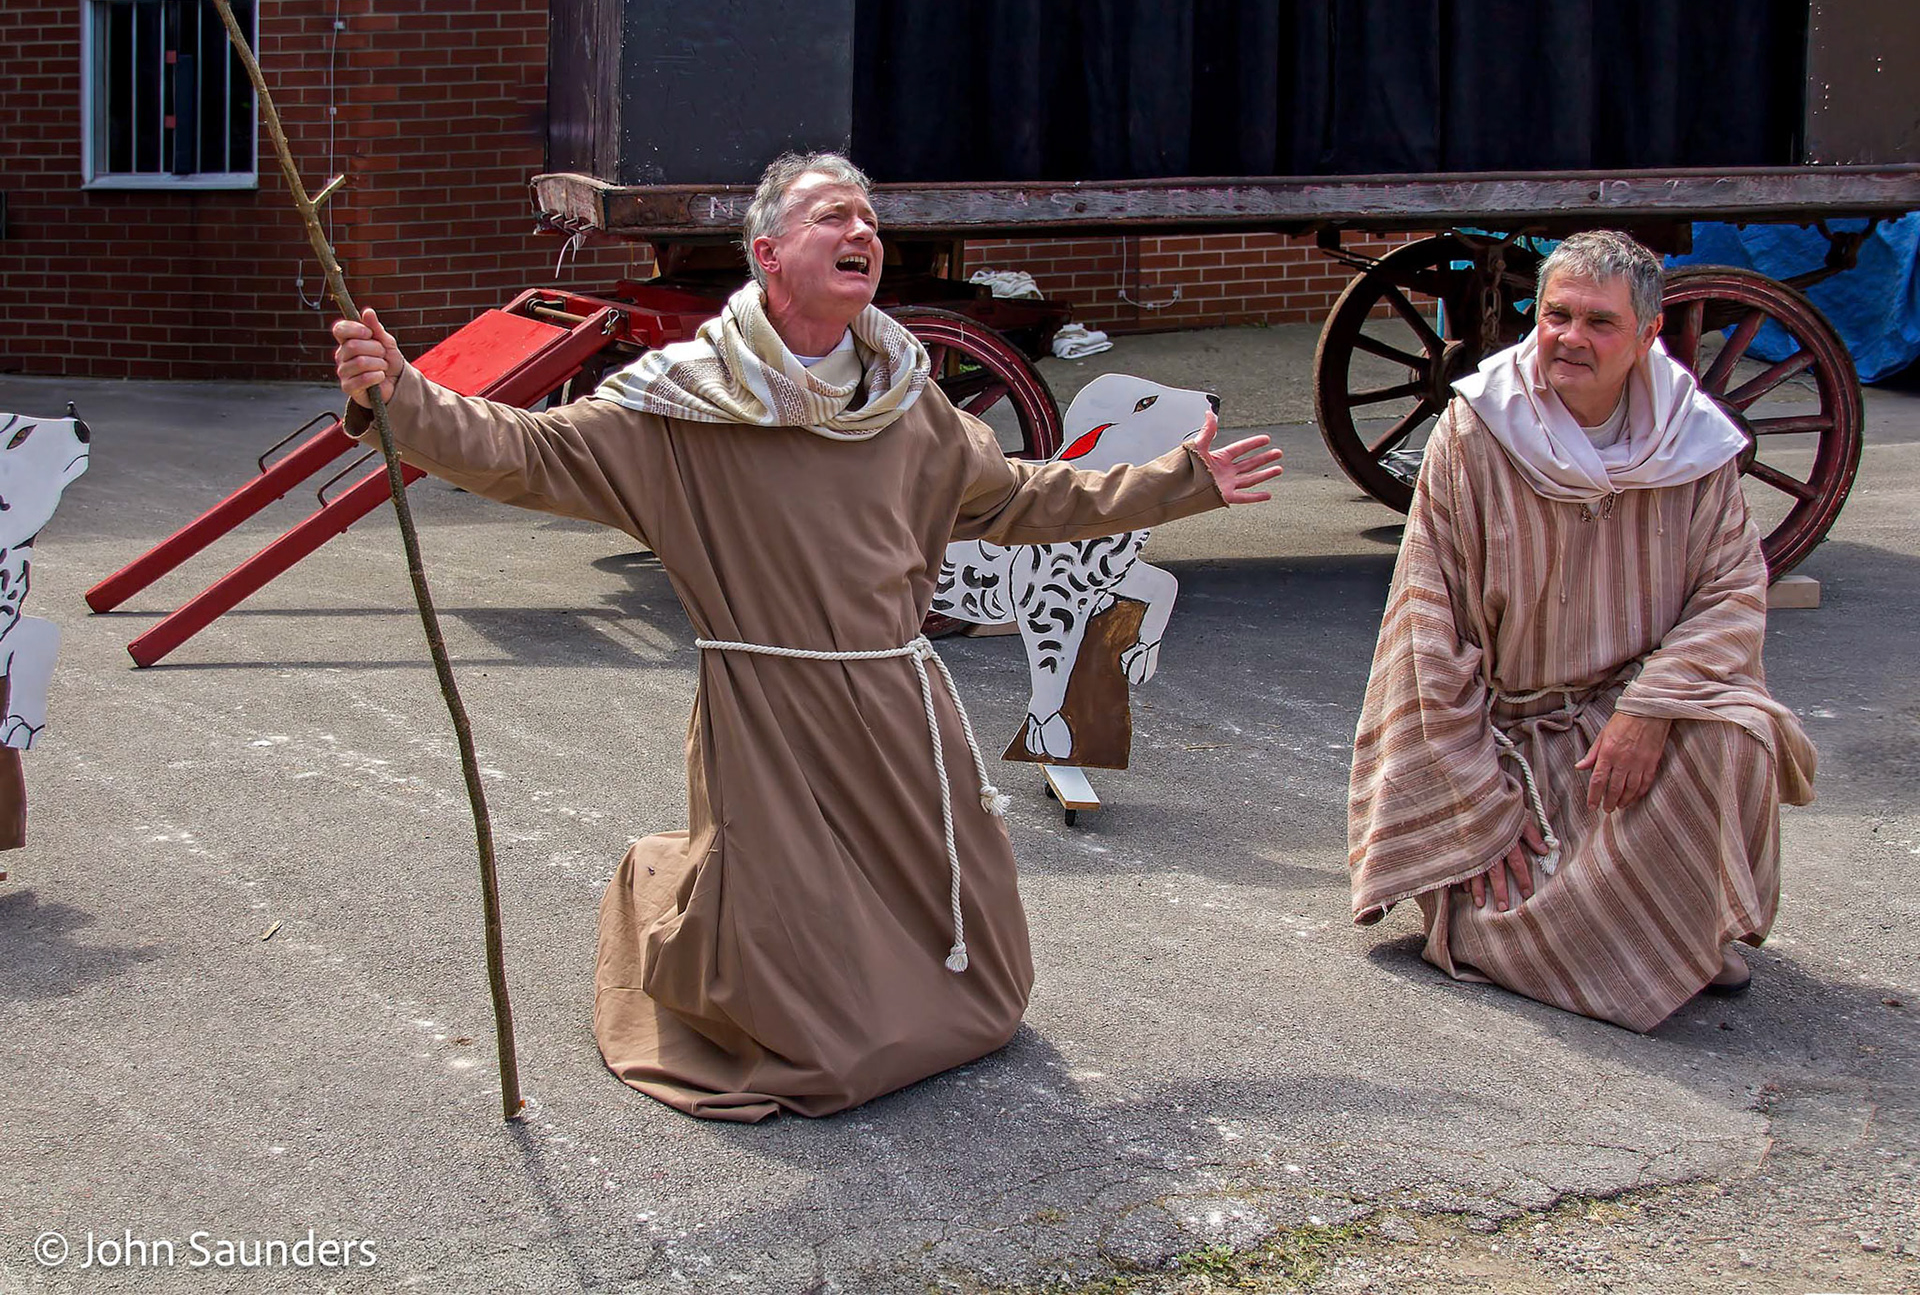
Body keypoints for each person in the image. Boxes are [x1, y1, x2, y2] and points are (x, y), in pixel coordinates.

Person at [333, 151, 1283, 1119]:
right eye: (834, 217)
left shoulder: (910, 400)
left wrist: (1176, 482)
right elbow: (524, 453)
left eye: (870, 221)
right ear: (770, 253)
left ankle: (904, 999)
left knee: (964, 936)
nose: (862, 234)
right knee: (806, 970)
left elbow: (1015, 498)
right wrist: (400, 396)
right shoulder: (682, 403)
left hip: (897, 697)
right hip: (770, 707)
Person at [1346, 230, 1815, 1034]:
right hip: (1505, 733)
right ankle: (1652, 935)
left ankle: (1675, 927)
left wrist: (1650, 709)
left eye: (1599, 322)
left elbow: (1732, 598)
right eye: (1555, 315)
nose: (1569, 338)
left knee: (1739, 731)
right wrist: (1476, 802)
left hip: (1623, 721)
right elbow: (1426, 633)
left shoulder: (1693, 447)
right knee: (1497, 907)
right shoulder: (1477, 433)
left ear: (1645, 336)